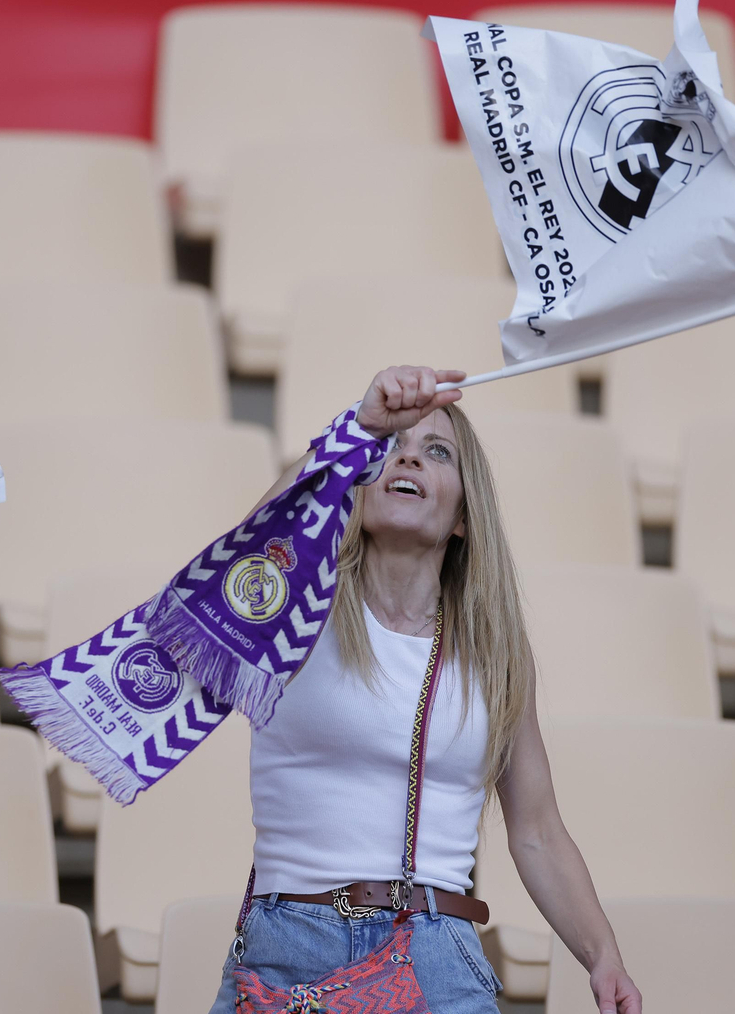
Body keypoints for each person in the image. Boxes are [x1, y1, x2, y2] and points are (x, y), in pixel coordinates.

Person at [208, 366, 642, 1013]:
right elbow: (239, 559)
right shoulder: (296, 606)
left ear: (464, 515)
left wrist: (603, 955)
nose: (408, 456)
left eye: (437, 451)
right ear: (356, 486)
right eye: (390, 448)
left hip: (436, 950)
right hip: (288, 944)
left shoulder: (494, 647)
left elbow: (537, 830)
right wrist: (358, 429)